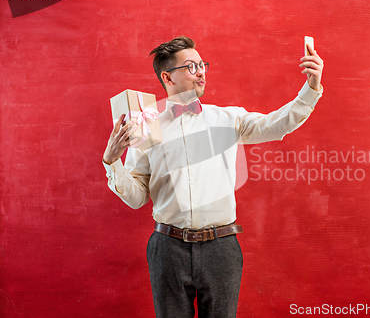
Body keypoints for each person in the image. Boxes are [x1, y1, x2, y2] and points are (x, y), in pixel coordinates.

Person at [102, 36, 324, 318]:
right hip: (168, 248)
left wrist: (311, 87)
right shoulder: (145, 126)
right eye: (191, 66)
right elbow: (136, 198)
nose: (201, 71)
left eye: (202, 65)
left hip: (221, 248)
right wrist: (112, 162)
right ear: (167, 76)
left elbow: (278, 122)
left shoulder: (228, 119)